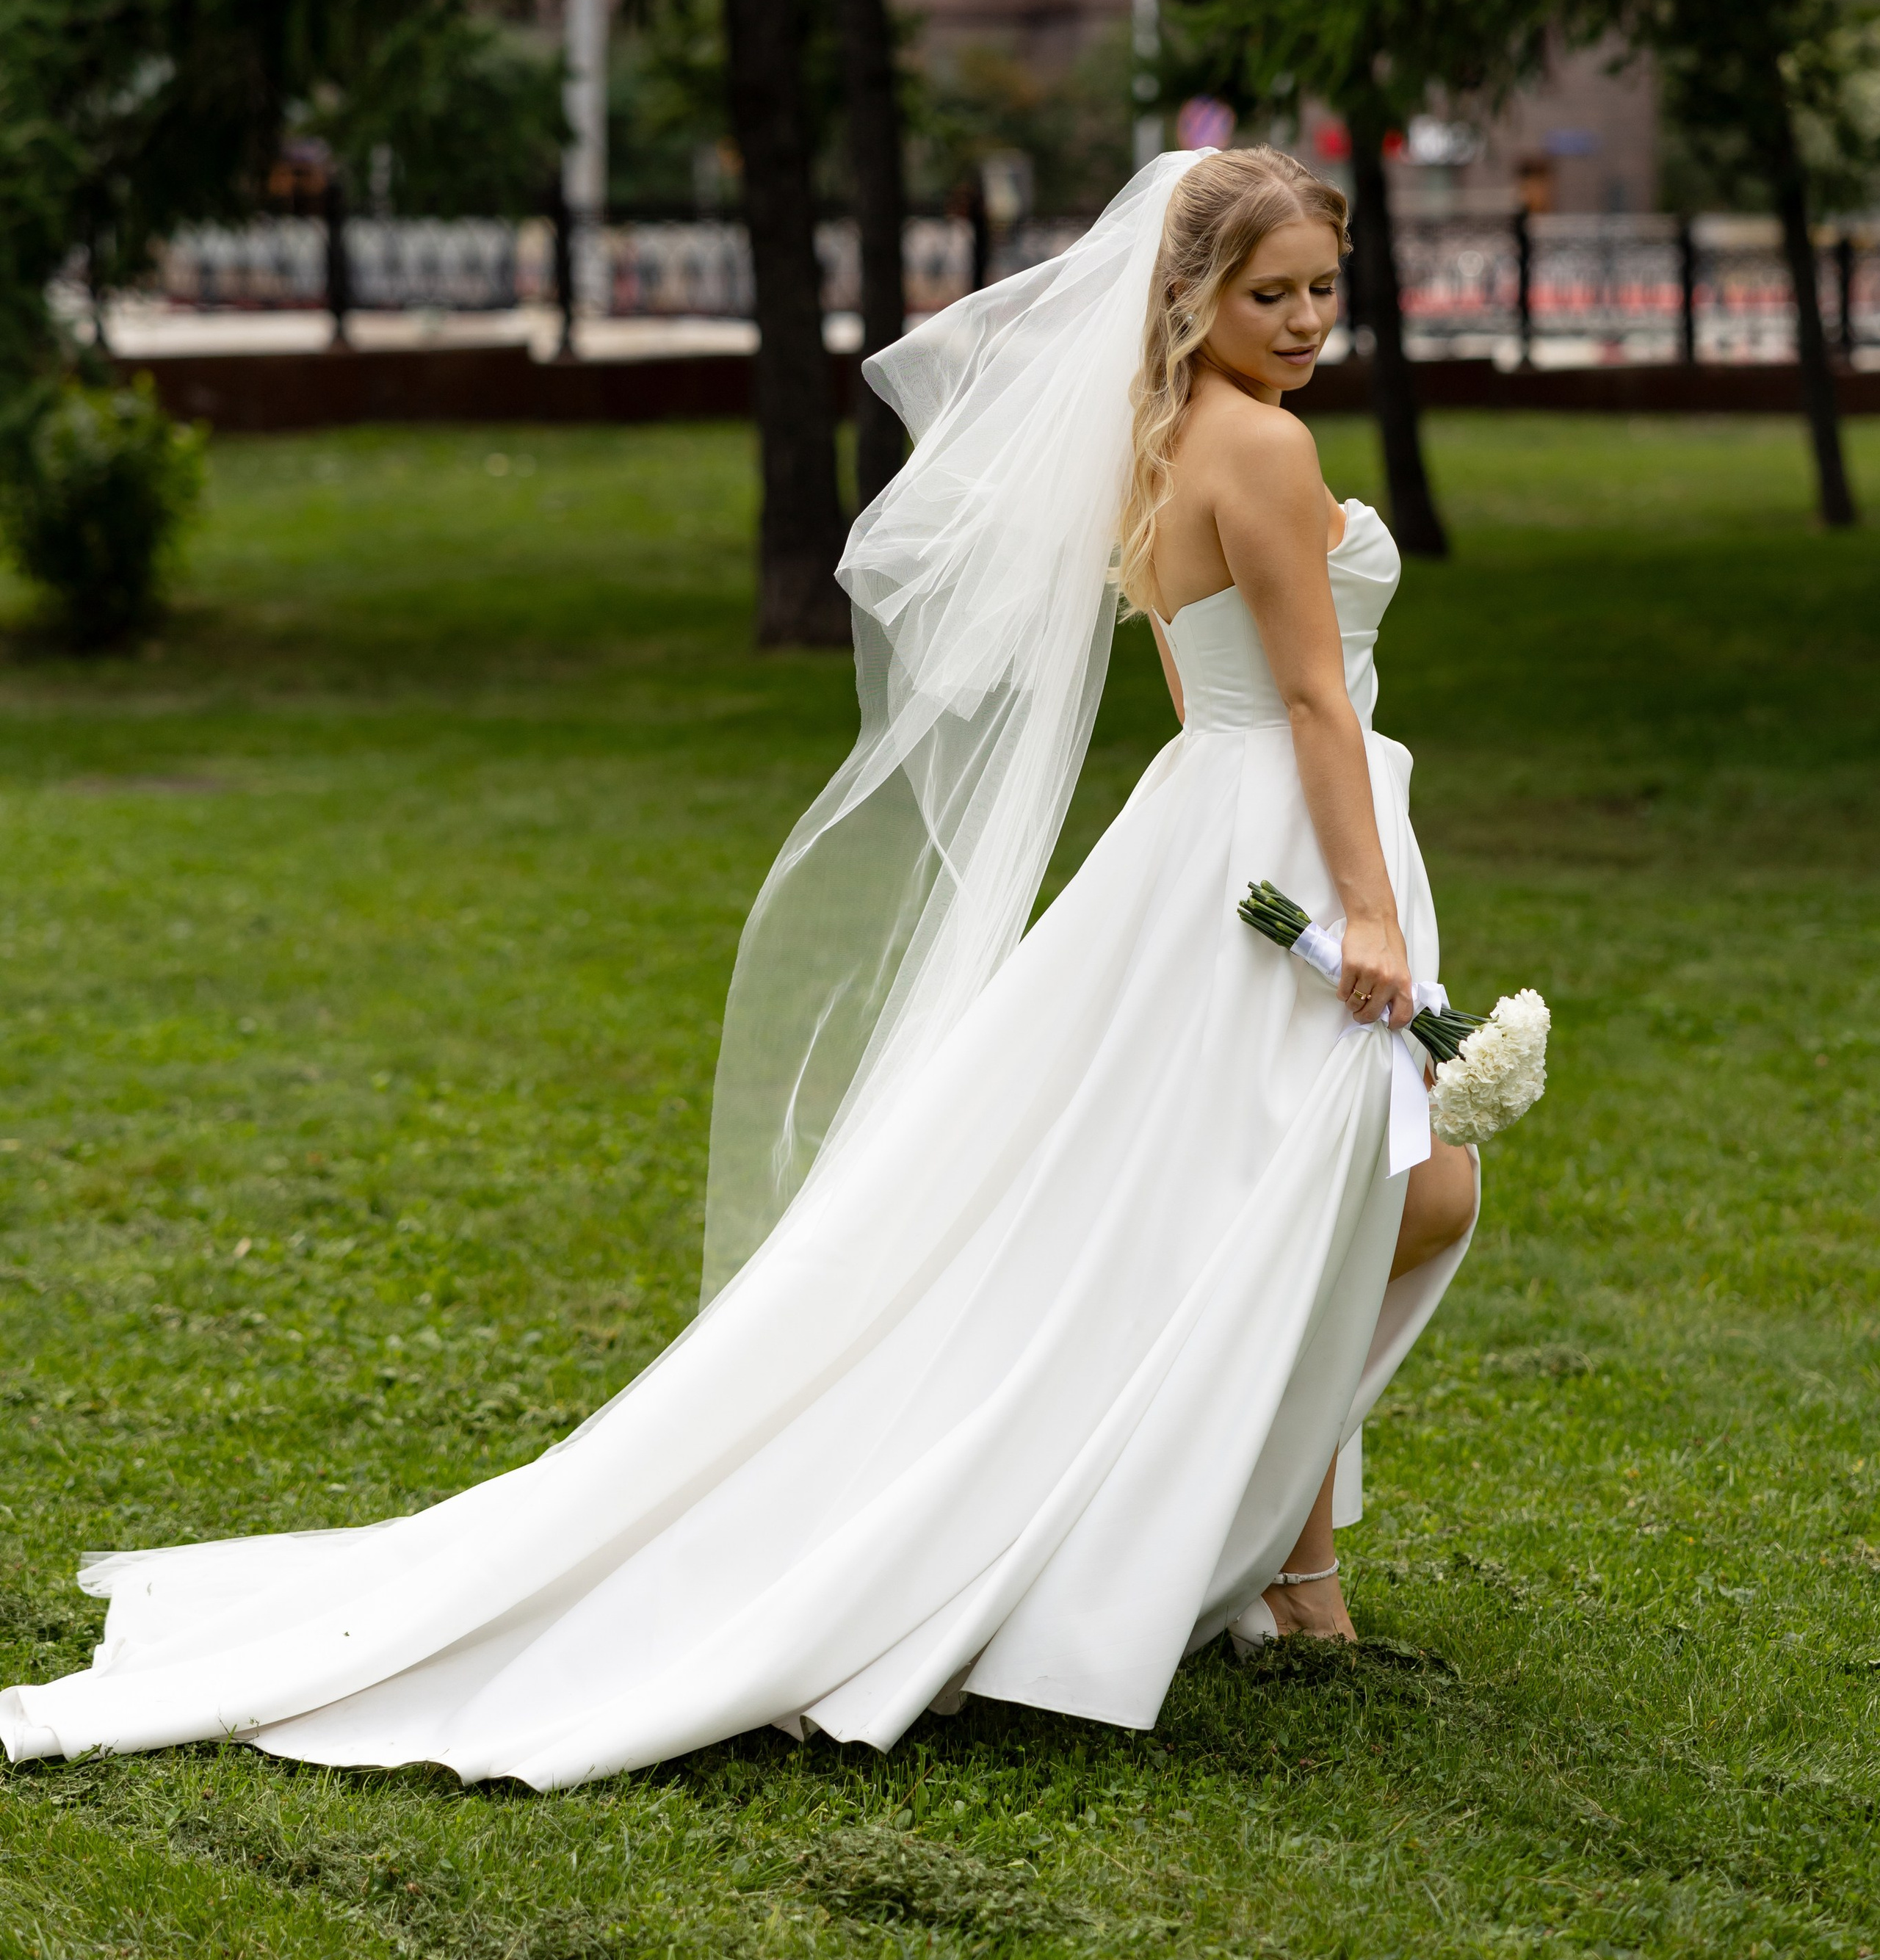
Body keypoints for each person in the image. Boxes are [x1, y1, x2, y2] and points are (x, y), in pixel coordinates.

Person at [1, 147, 1477, 1784]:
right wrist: (1365, 910)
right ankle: (1229, 1555)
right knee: (1357, 1189)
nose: (1301, 322)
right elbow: (1310, 702)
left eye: (1321, 291)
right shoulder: (1254, 444)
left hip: (1215, 830)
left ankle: (1279, 1559)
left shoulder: (1177, 431)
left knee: (1326, 1192)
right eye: (1267, 292)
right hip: (1270, 839)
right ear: (1195, 294)